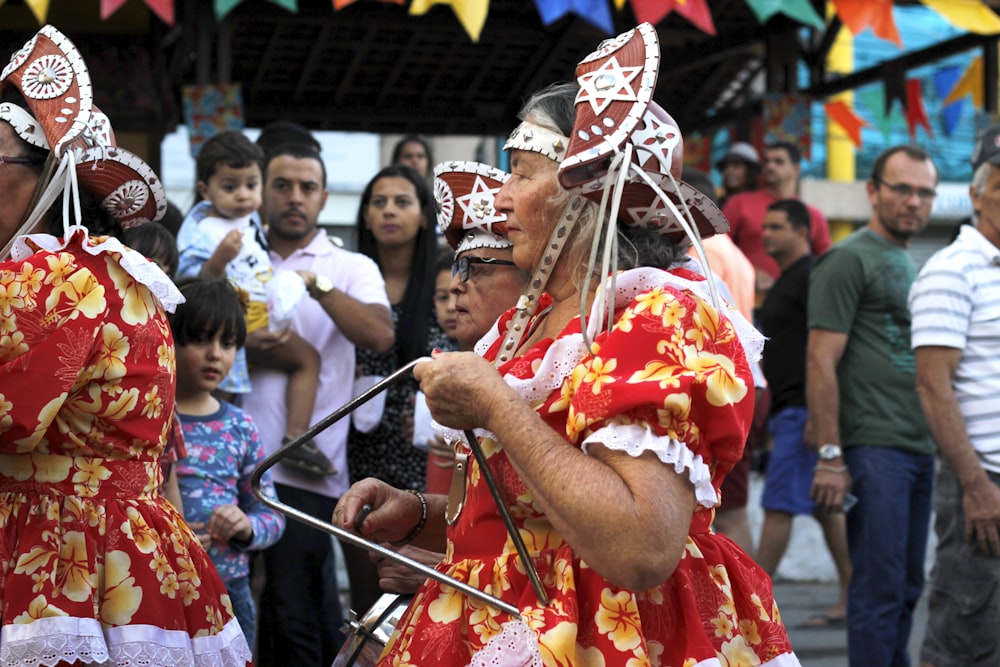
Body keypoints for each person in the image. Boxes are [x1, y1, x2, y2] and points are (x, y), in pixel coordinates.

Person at [333, 24, 798, 666]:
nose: (498, 200)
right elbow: (538, 518)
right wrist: (419, 514)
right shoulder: (536, 323)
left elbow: (638, 546)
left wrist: (498, 408)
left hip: (610, 637)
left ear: (585, 194)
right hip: (504, 619)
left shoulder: (662, 317)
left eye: (519, 173)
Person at [0, 25, 251, 665]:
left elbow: (10, 414)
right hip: (123, 545)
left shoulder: (55, 278)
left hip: (58, 547)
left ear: (50, 177)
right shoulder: (116, 272)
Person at [239, 141, 395, 667]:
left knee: (299, 616)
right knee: (236, 615)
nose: (294, 197)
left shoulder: (350, 266)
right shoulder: (237, 255)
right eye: (281, 185)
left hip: (305, 474)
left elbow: (379, 334)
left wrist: (314, 283)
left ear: (325, 197)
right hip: (226, 466)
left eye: (307, 187)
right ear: (261, 192)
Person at [372, 159, 531, 594]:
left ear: (533, 279)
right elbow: (487, 521)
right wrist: (417, 513)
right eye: (457, 269)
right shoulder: (487, 364)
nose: (458, 285)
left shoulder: (551, 372)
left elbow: (558, 546)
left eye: (477, 267)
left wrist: (444, 572)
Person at [808, 145, 938, 667]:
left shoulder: (905, 261)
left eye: (924, 192)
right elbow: (820, 359)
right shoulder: (849, 258)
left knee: (908, 587)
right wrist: (831, 454)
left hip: (918, 446)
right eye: (901, 189)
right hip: (874, 448)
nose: (914, 202)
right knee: (880, 590)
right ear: (872, 191)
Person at [176, 131, 328, 474]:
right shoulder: (201, 231)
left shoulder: (252, 222)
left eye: (251, 185)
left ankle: (294, 438)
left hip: (257, 316)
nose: (243, 195)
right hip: (223, 323)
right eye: (230, 187)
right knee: (215, 394)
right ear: (205, 190)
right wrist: (218, 259)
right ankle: (195, 456)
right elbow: (188, 288)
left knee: (302, 361)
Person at [342, 164, 452, 615]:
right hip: (355, 449)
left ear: (425, 216)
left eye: (402, 201)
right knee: (367, 591)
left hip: (424, 453)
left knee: (421, 591)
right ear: (365, 215)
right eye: (379, 202)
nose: (389, 211)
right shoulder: (348, 276)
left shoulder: (443, 281)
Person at [911, 127, 1000, 667]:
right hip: (984, 480)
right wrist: (976, 488)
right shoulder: (951, 270)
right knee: (966, 636)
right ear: (977, 194)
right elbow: (932, 385)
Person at [169, 279, 286, 651]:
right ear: (167, 338)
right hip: (164, 586)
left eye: (228, 343)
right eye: (200, 339)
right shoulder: (149, 417)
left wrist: (246, 527)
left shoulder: (239, 425)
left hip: (229, 589)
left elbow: (272, 513)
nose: (215, 355)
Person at [754, 198, 851, 627]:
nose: (766, 234)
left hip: (802, 409)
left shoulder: (812, 276)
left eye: (776, 226)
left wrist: (818, 414)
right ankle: (854, 592)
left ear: (801, 231)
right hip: (791, 408)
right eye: (765, 227)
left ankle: (750, 608)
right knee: (827, 507)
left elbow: (825, 349)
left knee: (778, 505)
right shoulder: (786, 279)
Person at [682, 167, 759, 552]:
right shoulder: (734, 253)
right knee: (731, 507)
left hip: (722, 384)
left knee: (723, 511)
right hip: (741, 380)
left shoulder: (701, 251)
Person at [722, 141, 831, 298]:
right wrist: (749, 270)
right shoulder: (738, 203)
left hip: (798, 305)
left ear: (796, 169)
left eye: (778, 161)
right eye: (767, 161)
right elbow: (717, 250)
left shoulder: (814, 215)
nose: (770, 166)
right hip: (747, 299)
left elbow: (825, 265)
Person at [715, 140, 761, 206]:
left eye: (736, 166)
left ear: (751, 172)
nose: (729, 171)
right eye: (725, 167)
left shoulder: (761, 205)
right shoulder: (716, 206)